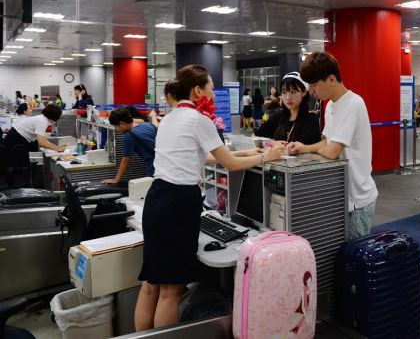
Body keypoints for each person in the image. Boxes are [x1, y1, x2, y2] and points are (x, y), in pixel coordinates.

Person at [134, 65, 283, 331]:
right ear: (197, 90)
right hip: (178, 203)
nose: (213, 94)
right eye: (211, 88)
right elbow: (227, 164)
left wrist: (249, 155)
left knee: (150, 285)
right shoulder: (198, 119)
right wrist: (265, 157)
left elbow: (209, 156)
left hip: (157, 199)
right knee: (171, 291)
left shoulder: (169, 118)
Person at [287, 52, 378, 239]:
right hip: (340, 194)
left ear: (331, 79)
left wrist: (324, 148)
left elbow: (332, 152)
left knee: (353, 258)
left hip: (357, 199)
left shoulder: (353, 104)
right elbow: (328, 142)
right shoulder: (330, 106)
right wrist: (303, 147)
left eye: (314, 85)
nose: (311, 91)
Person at [255, 72, 321, 145]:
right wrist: (272, 143)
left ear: (304, 92)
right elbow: (255, 137)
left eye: (293, 92)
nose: (288, 97)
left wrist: (271, 143)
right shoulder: (278, 117)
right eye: (284, 92)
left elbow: (304, 148)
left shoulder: (311, 119)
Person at [102, 108, 157, 184]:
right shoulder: (148, 125)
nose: (117, 129)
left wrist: (116, 180)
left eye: (116, 126)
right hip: (166, 163)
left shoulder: (129, 136)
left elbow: (125, 161)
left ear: (121, 123)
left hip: (154, 167)